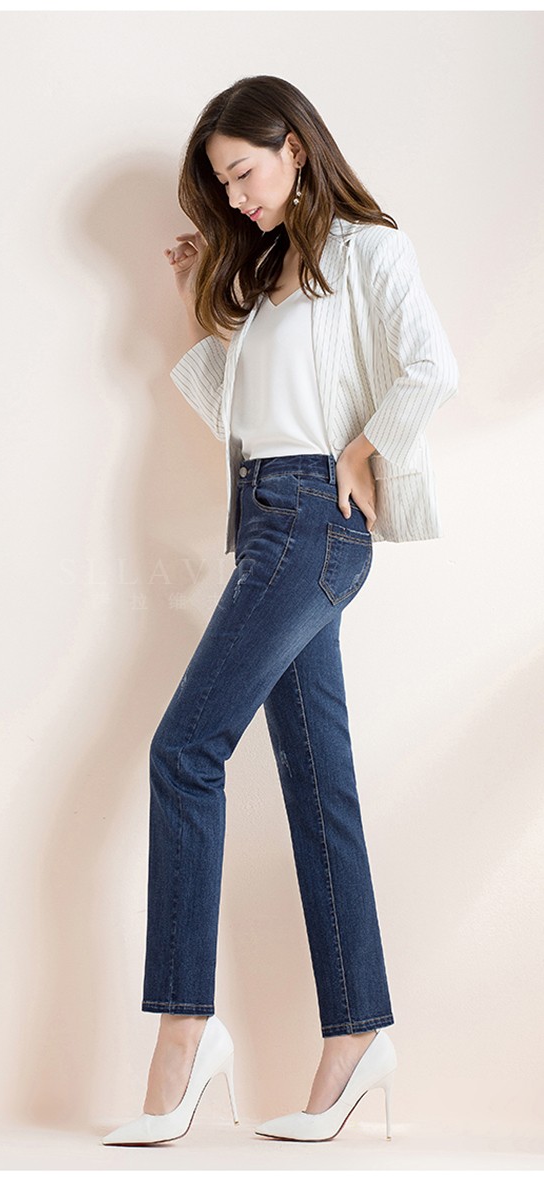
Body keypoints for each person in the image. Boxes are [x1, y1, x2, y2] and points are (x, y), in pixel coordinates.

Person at [102, 75, 458, 1147]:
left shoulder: (367, 251)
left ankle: (184, 1030)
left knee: (184, 750)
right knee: (317, 786)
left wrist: (364, 447)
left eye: (242, 172)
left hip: (315, 521)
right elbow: (239, 417)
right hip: (265, 516)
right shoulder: (262, 277)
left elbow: (430, 367)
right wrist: (198, 302)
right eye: (221, 184)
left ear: (295, 148)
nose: (235, 196)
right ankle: (356, 1036)